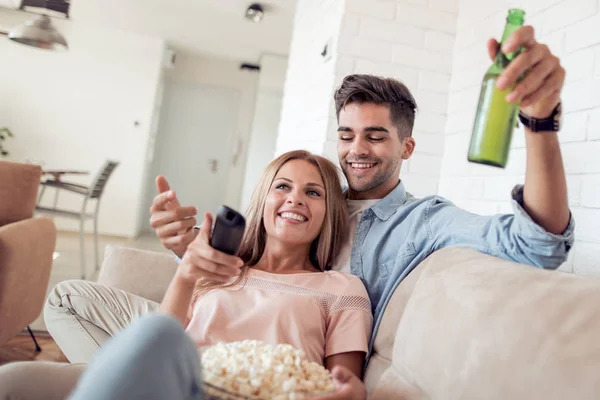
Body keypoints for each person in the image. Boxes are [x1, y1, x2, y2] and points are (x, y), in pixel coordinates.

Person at [0, 25, 574, 399]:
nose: (356, 150)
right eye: (347, 134)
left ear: (407, 147)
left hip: (271, 368)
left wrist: (539, 124)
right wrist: (188, 251)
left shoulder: (420, 222)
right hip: (214, 325)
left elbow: (537, 243)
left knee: (135, 356)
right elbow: (244, 266)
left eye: (376, 136)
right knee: (61, 308)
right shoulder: (310, 192)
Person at [0, 150, 371, 399]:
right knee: (13, 380)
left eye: (313, 192)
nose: (295, 199)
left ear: (330, 213)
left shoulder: (341, 289)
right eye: (283, 187)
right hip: (175, 380)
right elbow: (164, 332)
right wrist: (188, 271)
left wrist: (347, 391)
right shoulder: (223, 266)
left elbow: (344, 381)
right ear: (263, 200)